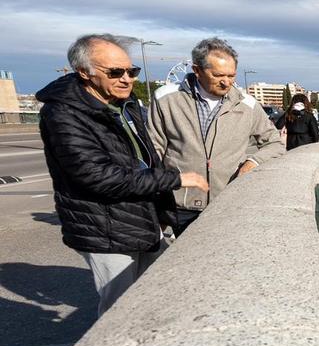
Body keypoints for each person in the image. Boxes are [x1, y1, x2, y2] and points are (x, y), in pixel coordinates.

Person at [37, 34, 209, 315]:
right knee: (119, 311)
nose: (127, 79)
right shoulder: (63, 115)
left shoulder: (125, 105)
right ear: (85, 72)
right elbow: (99, 177)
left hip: (141, 218)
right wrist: (176, 179)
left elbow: (145, 158)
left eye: (132, 71)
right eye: (116, 72)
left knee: (159, 295)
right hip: (106, 229)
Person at [149, 37, 283, 235]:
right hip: (181, 202)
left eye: (231, 75)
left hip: (228, 201)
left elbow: (275, 144)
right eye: (218, 75)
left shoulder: (246, 105)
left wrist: (252, 163)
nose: (226, 82)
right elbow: (153, 151)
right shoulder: (167, 99)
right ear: (197, 70)